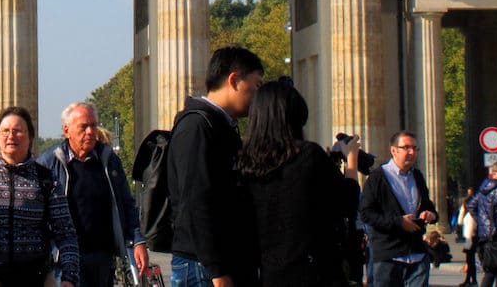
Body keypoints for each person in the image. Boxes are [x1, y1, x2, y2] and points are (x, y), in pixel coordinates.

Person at [236, 77, 360, 287]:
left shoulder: (245, 161)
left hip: (268, 274)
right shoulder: (309, 155)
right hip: (314, 270)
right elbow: (346, 202)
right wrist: (352, 161)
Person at [168, 45, 265, 287]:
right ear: (234, 80)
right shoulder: (197, 128)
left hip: (217, 262)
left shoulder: (219, 126)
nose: (259, 94)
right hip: (204, 266)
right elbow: (196, 200)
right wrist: (216, 270)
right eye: (256, 85)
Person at [38, 103, 146, 286]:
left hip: (102, 258)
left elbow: (127, 203)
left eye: (93, 126)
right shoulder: (47, 164)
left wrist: (138, 241)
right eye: (83, 127)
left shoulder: (109, 161)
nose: (90, 132)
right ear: (67, 130)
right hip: (64, 260)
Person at [0, 106, 79, 287]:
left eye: (17, 131)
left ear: (30, 136)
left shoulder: (47, 179)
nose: (10, 136)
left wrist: (70, 277)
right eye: (5, 131)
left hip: (35, 276)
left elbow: (66, 233)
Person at [359, 131, 439, 287]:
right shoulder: (378, 177)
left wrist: (430, 214)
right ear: (393, 150)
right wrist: (398, 222)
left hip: (417, 253)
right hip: (388, 256)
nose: (412, 152)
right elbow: (366, 214)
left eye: (415, 148)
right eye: (406, 147)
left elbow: (427, 205)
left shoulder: (417, 176)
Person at [475, 162, 497, 287]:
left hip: (485, 236)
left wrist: (483, 223)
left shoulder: (484, 188)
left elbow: (472, 205)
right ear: (494, 174)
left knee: (493, 270)